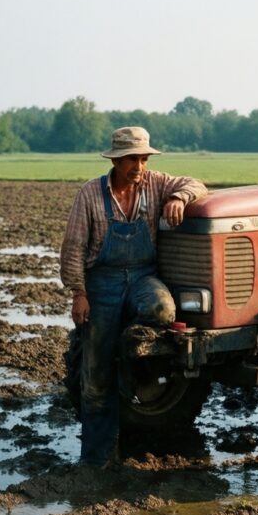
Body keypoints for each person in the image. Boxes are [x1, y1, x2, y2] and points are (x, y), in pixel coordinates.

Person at [60, 126, 207, 467]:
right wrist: (79, 293)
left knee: (162, 308)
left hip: (143, 276)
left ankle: (128, 353)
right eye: (132, 159)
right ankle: (98, 460)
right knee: (95, 379)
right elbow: (74, 247)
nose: (139, 166)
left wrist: (178, 198)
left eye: (143, 159)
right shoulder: (90, 194)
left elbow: (196, 184)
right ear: (115, 161)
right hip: (103, 282)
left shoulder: (156, 183)